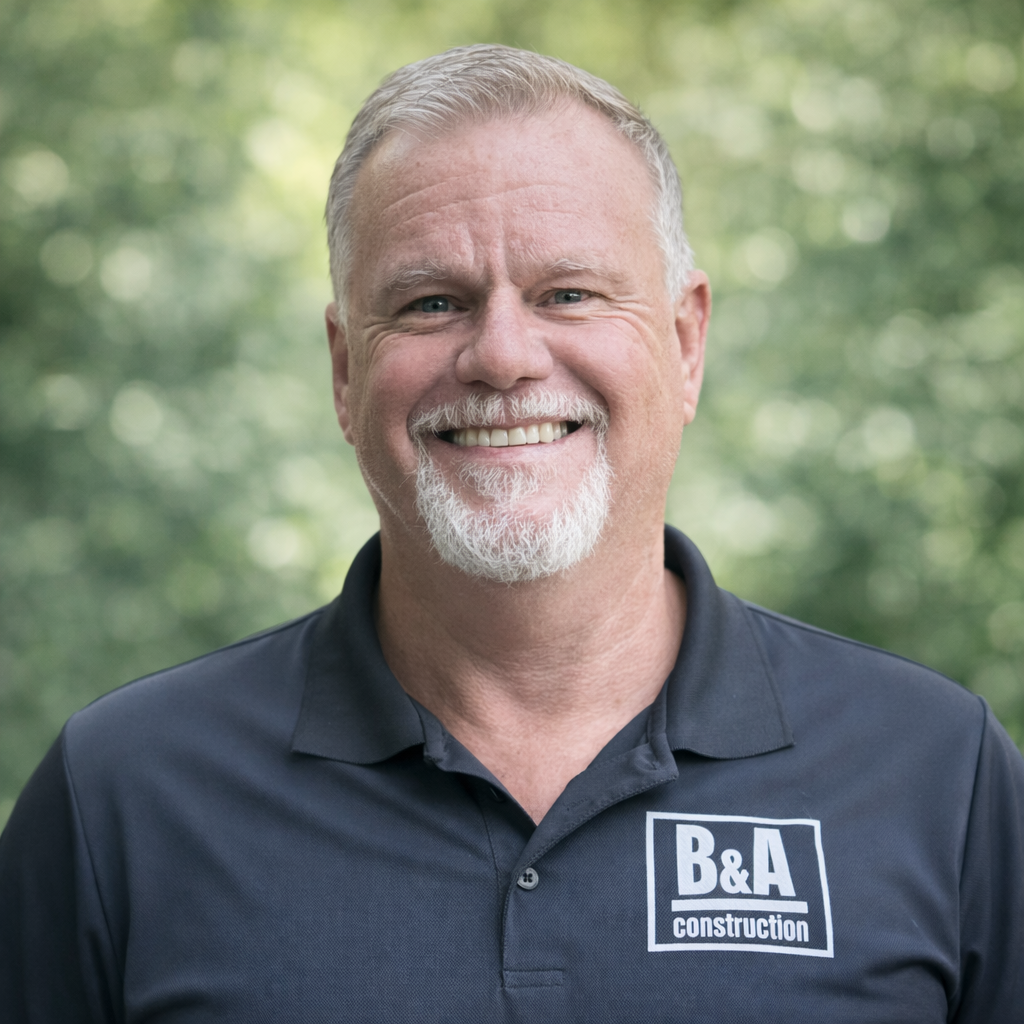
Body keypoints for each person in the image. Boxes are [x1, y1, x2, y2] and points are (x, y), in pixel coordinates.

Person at [2, 44, 1022, 1023]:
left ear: (684, 341)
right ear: (344, 372)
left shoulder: (940, 775)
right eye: (429, 301)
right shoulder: (122, 797)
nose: (500, 355)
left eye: (567, 293)